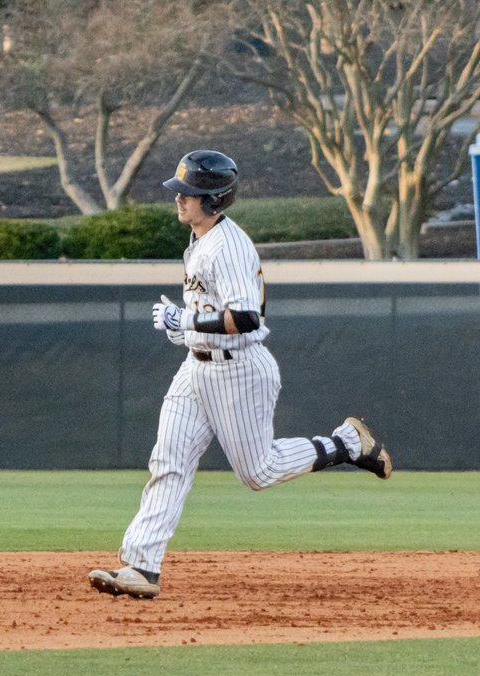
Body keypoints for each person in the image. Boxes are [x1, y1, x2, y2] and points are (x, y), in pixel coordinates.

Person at [88, 150, 392, 600]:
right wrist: (184, 330)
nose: (179, 198)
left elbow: (247, 318)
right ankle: (142, 566)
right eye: (180, 191)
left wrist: (187, 321)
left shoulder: (228, 246)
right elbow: (211, 311)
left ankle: (345, 443)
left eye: (189, 193)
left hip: (238, 371)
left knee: (258, 472)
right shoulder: (199, 240)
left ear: (213, 200)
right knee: (168, 463)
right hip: (196, 369)